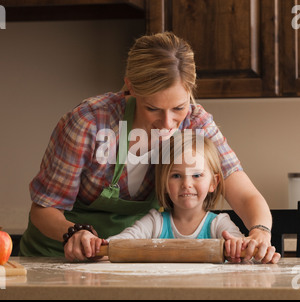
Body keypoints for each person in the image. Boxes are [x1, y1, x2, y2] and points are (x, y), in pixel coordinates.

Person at [20, 32, 277, 263]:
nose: (167, 123)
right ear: (130, 86)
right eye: (153, 108)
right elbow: (45, 208)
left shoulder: (196, 124)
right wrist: (73, 234)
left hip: (125, 261)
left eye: (178, 107)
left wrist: (260, 231)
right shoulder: (90, 123)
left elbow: (244, 195)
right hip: (56, 256)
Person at [106, 133, 280, 264]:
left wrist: (253, 251)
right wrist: (94, 245)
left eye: (197, 175)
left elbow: (246, 254)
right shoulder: (154, 223)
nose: (186, 184)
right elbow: (115, 246)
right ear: (164, 182)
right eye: (176, 176)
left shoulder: (219, 224)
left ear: (214, 182)